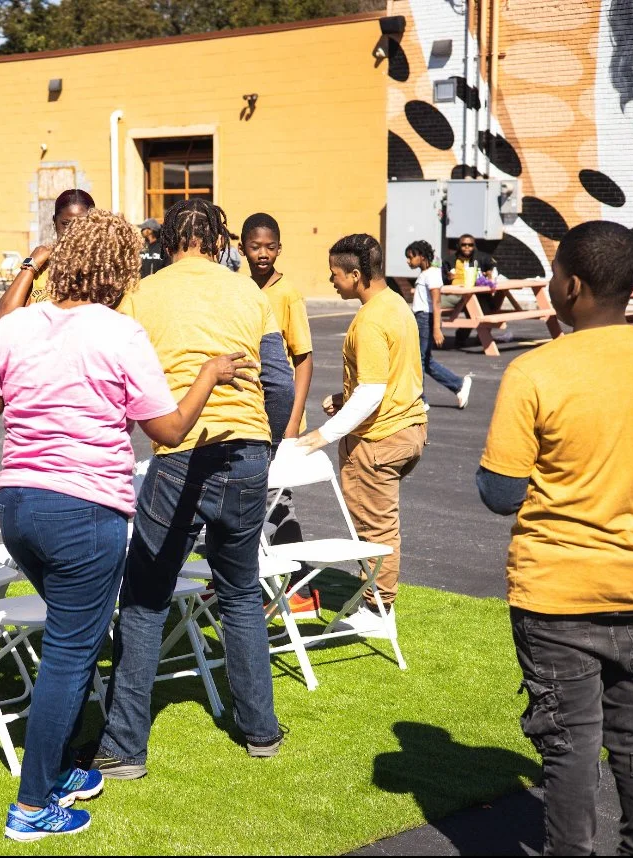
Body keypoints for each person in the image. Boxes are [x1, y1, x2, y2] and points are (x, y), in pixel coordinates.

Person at [0, 210, 257, 840]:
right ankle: (33, 805)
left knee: (69, 643)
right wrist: (209, 374)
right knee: (70, 658)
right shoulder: (121, 333)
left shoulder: (17, 326)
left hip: (18, 504)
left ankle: (63, 769)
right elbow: (169, 432)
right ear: (122, 267)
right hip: (85, 510)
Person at [84, 199, 294, 778]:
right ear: (220, 240)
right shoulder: (250, 293)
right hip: (249, 448)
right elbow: (277, 382)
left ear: (168, 241)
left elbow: (118, 379)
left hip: (179, 453)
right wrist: (265, 443)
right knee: (242, 591)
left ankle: (124, 746)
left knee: (147, 596)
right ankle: (261, 730)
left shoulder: (143, 295)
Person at [476, 221, 633, 857]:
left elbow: (501, 493)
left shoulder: (535, 371)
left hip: (557, 596)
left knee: (569, 751)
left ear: (571, 287)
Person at [296, 234, 427, 634]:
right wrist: (345, 397)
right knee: (380, 523)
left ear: (356, 274)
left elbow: (372, 391)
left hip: (379, 440)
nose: (331, 280)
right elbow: (385, 378)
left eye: (335, 274)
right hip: (408, 428)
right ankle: (375, 598)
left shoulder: (370, 320)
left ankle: (378, 612)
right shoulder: (395, 306)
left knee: (376, 529)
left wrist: (324, 434)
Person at [240, 212, 318, 613]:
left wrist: (291, 422)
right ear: (242, 249)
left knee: (278, 500)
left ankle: (302, 587)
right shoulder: (235, 288)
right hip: (245, 415)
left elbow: (303, 361)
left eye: (270, 246)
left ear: (280, 248)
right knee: (243, 497)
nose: (263, 253)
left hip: (281, 419)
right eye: (256, 246)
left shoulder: (288, 294)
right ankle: (238, 580)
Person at [0, 189, 94, 321]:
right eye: (66, 224)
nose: (73, 232)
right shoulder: (39, 268)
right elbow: (4, 320)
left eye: (82, 224)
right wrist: (29, 266)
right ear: (54, 222)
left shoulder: (102, 268)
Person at [405, 240, 472, 408]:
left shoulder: (432, 274)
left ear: (421, 256)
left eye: (410, 257)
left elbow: (436, 303)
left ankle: (421, 400)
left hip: (426, 319)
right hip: (420, 318)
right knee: (425, 361)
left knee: (419, 360)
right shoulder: (426, 273)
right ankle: (458, 385)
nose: (408, 261)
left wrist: (437, 329)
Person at [444, 233, 502, 346]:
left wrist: (489, 273)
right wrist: (447, 276)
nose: (467, 247)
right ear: (458, 246)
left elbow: (492, 266)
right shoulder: (450, 260)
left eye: (470, 245)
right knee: (477, 311)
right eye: (464, 245)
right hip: (457, 293)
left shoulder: (482, 257)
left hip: (476, 293)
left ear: (474, 246)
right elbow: (442, 277)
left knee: (486, 309)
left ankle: (473, 336)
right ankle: (473, 336)